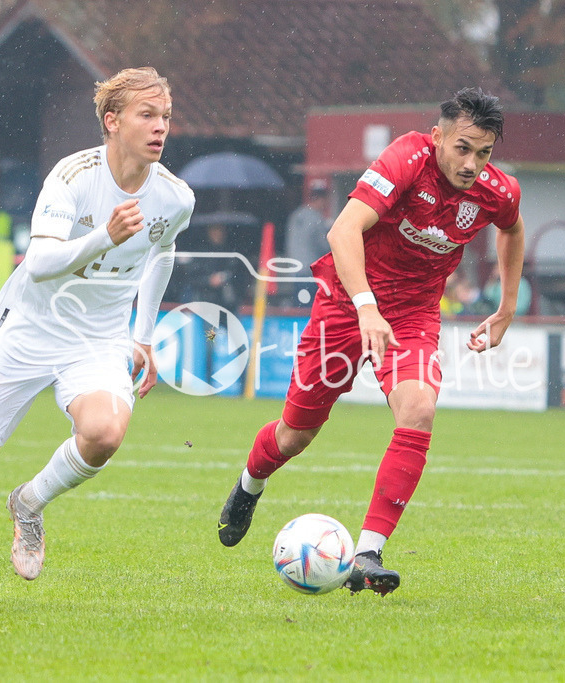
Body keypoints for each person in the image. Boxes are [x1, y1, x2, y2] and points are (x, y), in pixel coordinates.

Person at [216, 88, 525, 595]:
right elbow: (342, 231)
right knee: (295, 435)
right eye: (463, 148)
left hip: (412, 316)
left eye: (484, 153)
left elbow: (511, 229)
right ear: (438, 137)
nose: (472, 164)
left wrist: (507, 307)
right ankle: (250, 483)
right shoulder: (407, 157)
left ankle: (368, 552)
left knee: (419, 410)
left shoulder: (497, 189)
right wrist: (365, 307)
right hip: (345, 302)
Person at [0, 66, 195, 607]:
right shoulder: (72, 175)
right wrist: (103, 236)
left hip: (98, 339)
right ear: (112, 121)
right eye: (147, 115)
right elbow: (39, 263)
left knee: (106, 432)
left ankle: (29, 502)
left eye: (166, 117)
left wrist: (145, 337)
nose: (161, 128)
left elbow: (162, 252)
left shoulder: (176, 197)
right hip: (27, 330)